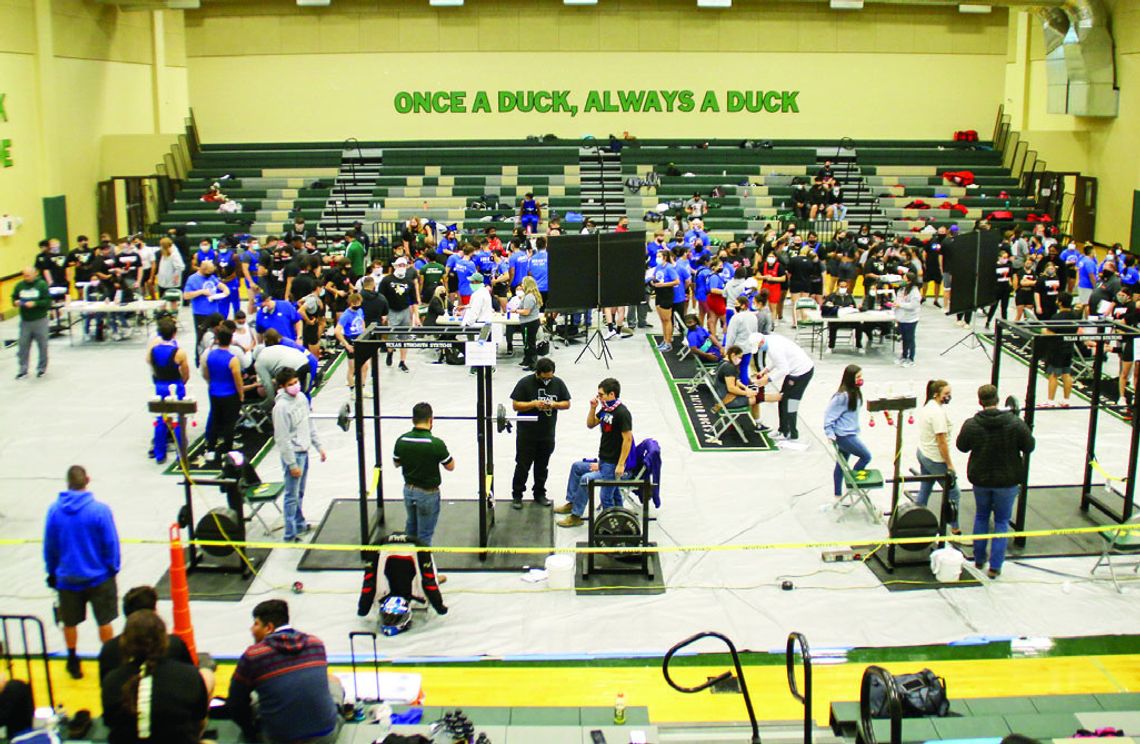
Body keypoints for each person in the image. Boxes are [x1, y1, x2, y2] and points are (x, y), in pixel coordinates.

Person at [226, 600, 342, 744]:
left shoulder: (253, 655)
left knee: (255, 698)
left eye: (256, 624)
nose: (252, 629)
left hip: (278, 740)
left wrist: (251, 731)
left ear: (269, 627)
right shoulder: (315, 643)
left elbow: (235, 703)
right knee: (333, 681)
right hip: (325, 736)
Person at [44, 465, 121, 679]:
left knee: (69, 622)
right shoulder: (99, 510)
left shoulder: (55, 511)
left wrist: (52, 572)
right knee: (104, 621)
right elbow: (110, 543)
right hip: (99, 577)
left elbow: (50, 546)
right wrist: (112, 566)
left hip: (67, 577)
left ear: (67, 482)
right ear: (87, 480)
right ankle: (109, 662)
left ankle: (72, 658)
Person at [956, 384, 1035, 579]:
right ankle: (995, 566)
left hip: (981, 479)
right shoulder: (1015, 423)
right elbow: (1029, 446)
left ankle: (979, 558)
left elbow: (961, 447)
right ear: (998, 400)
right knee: (1001, 521)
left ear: (980, 401)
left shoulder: (972, 424)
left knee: (981, 516)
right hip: (1007, 481)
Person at [100, 610, 211, 744]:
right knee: (207, 676)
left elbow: (110, 723)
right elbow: (199, 717)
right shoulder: (188, 676)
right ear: (165, 640)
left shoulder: (111, 681)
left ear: (125, 642)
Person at [555, 378, 633, 528]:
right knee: (577, 467)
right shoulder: (605, 409)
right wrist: (592, 407)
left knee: (586, 479)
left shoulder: (622, 413)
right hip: (603, 461)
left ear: (612, 394)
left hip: (612, 465)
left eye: (601, 395)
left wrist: (621, 464)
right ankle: (572, 503)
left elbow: (628, 440)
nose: (598, 397)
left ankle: (576, 516)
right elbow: (590, 424)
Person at [273, 368, 327, 543]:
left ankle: (299, 523)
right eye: (290, 384)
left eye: (296, 382)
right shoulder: (280, 408)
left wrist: (319, 446)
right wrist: (292, 464)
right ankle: (290, 533)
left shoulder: (302, 398)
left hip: (305, 451)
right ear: (282, 387)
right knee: (291, 495)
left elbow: (308, 424)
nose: (295, 386)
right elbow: (282, 439)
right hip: (294, 455)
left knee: (300, 492)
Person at [510, 358, 571, 509]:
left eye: (549, 378)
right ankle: (517, 495)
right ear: (537, 373)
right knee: (523, 465)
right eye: (544, 378)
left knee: (542, 466)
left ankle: (539, 493)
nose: (547, 381)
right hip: (527, 434)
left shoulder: (558, 383)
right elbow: (516, 405)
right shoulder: (525, 383)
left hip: (547, 434)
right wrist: (534, 404)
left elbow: (567, 403)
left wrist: (554, 404)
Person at [97, 586, 193, 681]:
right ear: (154, 613)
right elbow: (190, 676)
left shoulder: (109, 649)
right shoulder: (174, 644)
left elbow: (105, 686)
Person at [393, 403, 455, 546]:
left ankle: (408, 563)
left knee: (410, 530)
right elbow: (450, 466)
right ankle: (423, 565)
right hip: (428, 494)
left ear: (413, 419)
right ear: (431, 420)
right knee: (424, 535)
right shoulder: (436, 444)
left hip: (409, 491)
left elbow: (396, 463)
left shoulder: (402, 440)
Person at [914, 380, 962, 534]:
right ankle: (955, 528)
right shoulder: (937, 414)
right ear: (936, 394)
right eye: (946, 394)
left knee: (926, 487)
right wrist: (949, 465)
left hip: (923, 453)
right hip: (934, 458)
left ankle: (916, 519)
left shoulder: (928, 406)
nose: (949, 397)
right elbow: (941, 442)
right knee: (954, 492)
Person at [147, 318, 191, 464]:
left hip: (160, 385)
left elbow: (151, 365)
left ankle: (160, 454)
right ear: (174, 334)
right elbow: (186, 372)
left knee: (161, 419)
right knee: (179, 420)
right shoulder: (179, 353)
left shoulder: (152, 350)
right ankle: (181, 454)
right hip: (175, 385)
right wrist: (182, 384)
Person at [823, 365, 871, 499]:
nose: (861, 379)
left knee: (841, 464)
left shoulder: (855, 392)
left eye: (861, 376)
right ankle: (854, 484)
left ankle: (837, 494)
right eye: (858, 377)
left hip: (851, 432)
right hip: (845, 436)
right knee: (866, 456)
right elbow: (829, 415)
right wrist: (829, 433)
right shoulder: (842, 396)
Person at [758, 332, 815, 442]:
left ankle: (790, 432)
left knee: (790, 403)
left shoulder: (774, 348)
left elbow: (784, 369)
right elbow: (778, 360)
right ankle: (783, 429)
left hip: (801, 373)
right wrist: (766, 370)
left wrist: (768, 379)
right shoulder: (771, 340)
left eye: (759, 347)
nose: (759, 349)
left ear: (761, 342)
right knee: (783, 399)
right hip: (795, 371)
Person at [201, 326, 245, 462]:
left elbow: (206, 373)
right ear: (231, 340)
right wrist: (241, 394)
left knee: (215, 419)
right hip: (230, 393)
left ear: (218, 340)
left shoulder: (209, 355)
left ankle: (211, 449)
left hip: (214, 391)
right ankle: (227, 449)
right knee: (229, 423)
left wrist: (211, 383)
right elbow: (238, 379)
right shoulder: (233, 359)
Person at [714, 345, 776, 431]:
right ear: (733, 355)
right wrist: (747, 393)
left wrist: (745, 388)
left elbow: (735, 381)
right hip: (727, 400)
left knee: (753, 393)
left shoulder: (723, 363)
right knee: (757, 398)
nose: (740, 360)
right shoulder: (729, 368)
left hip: (721, 395)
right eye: (739, 357)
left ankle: (757, 423)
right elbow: (731, 388)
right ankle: (758, 425)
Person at [182, 260, 229, 359]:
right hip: (201, 313)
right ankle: (199, 358)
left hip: (214, 312)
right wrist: (201, 292)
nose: (210, 275)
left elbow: (220, 285)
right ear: (203, 270)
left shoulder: (211, 277)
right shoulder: (193, 279)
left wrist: (225, 290)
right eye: (208, 273)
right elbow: (186, 295)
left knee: (217, 335)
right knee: (201, 336)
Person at [12, 266, 51, 380]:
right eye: (24, 275)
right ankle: (23, 370)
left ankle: (41, 368)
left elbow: (47, 301)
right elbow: (14, 298)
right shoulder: (20, 286)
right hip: (25, 321)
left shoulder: (42, 285)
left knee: (42, 345)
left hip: (40, 320)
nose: (26, 278)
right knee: (23, 346)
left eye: (28, 275)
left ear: (35, 274)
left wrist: (35, 304)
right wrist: (16, 302)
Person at [1042, 292, 1081, 407]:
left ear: (1059, 302)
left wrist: (1044, 331)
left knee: (1053, 374)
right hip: (1069, 348)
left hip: (1057, 349)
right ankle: (1066, 400)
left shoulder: (1056, 317)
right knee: (1066, 373)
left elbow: (1049, 332)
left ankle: (1050, 401)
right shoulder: (1075, 316)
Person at [380, 257, 417, 372]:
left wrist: (415, 316)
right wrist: (383, 313)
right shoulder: (387, 280)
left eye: (403, 265)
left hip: (405, 310)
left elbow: (413, 299)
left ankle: (402, 361)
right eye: (399, 265)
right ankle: (390, 352)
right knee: (391, 336)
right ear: (395, 266)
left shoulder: (409, 281)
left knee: (404, 337)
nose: (401, 267)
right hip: (391, 310)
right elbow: (381, 297)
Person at [335, 292, 367, 391]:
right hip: (351, 340)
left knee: (365, 366)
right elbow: (337, 331)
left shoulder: (360, 311)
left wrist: (364, 333)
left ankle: (362, 387)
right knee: (352, 367)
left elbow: (362, 321)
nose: (358, 305)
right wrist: (346, 344)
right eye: (356, 303)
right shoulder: (346, 315)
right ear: (351, 303)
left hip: (360, 339)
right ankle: (352, 389)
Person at [724, 296, 758, 384]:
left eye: (736, 304)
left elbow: (731, 335)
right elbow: (755, 334)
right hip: (748, 349)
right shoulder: (753, 317)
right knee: (744, 370)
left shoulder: (736, 318)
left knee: (733, 371)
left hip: (736, 350)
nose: (735, 306)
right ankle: (745, 391)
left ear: (743, 305)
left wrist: (727, 350)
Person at [651, 249, 681, 352]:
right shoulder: (658, 267)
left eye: (659, 256)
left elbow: (677, 281)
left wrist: (663, 284)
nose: (657, 258)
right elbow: (654, 276)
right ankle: (664, 339)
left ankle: (668, 342)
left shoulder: (669, 268)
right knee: (662, 320)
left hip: (667, 294)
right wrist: (653, 282)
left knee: (667, 319)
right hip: (659, 293)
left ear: (664, 257)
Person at [516, 275, 543, 369]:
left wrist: (516, 311)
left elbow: (526, 312)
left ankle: (533, 363)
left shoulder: (529, 297)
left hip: (529, 323)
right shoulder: (528, 296)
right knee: (527, 343)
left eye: (523, 284)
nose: (521, 286)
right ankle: (527, 360)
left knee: (530, 343)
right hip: (530, 322)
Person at [894, 271, 921, 367]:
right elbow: (898, 300)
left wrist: (900, 304)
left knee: (910, 339)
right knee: (904, 339)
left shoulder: (915, 292)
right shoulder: (902, 289)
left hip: (911, 319)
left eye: (904, 278)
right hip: (902, 318)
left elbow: (913, 305)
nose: (902, 280)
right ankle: (904, 356)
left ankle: (911, 358)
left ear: (909, 281)